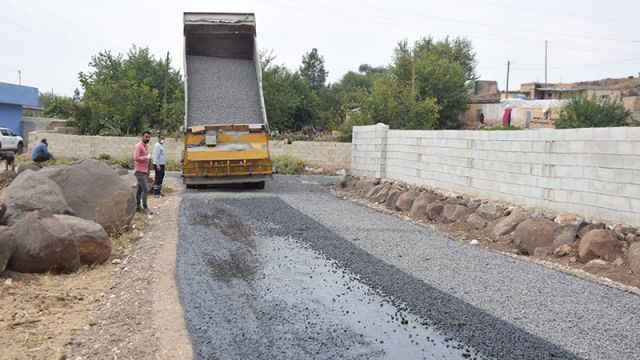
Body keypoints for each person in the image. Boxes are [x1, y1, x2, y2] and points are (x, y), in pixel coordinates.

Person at [133, 131, 153, 215]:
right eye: (146, 137)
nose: (147, 138)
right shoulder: (139, 146)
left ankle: (137, 207)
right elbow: (135, 157)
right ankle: (145, 208)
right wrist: (146, 157)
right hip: (139, 171)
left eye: (148, 137)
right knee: (145, 189)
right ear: (142, 137)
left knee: (139, 190)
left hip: (144, 171)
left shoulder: (145, 146)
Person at [152, 134, 166, 198]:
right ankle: (156, 193)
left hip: (162, 164)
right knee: (158, 178)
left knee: (161, 177)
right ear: (158, 138)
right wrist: (157, 164)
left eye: (163, 138)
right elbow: (155, 155)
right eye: (161, 138)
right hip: (158, 164)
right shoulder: (157, 145)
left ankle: (159, 192)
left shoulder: (161, 145)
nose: (162, 139)